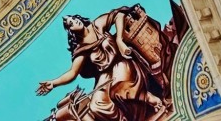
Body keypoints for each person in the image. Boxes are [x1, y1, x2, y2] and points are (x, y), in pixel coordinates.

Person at [37, 8, 169, 119]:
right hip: (104, 76)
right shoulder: (81, 49)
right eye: (70, 23)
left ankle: (149, 98)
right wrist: (53, 83)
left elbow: (118, 15)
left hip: (120, 63)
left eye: (73, 18)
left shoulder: (97, 25)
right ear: (71, 31)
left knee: (117, 88)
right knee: (96, 105)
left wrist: (119, 40)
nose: (74, 21)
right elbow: (72, 73)